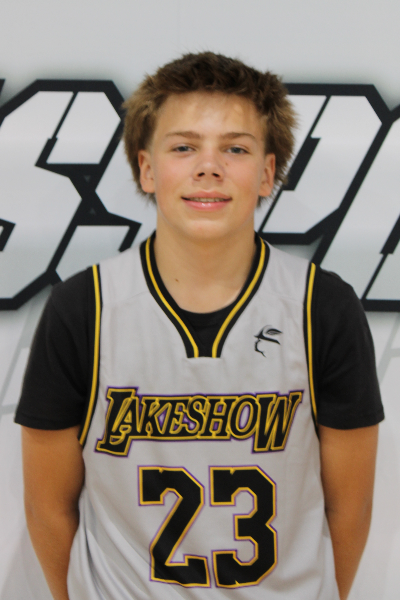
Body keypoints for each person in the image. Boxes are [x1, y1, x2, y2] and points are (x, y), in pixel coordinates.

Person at [16, 52, 384, 600]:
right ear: (146, 168)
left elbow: (349, 507)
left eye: (235, 149)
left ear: (267, 172)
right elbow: (48, 506)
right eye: (184, 147)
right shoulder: (84, 308)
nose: (208, 167)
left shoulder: (321, 306)